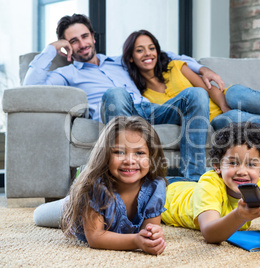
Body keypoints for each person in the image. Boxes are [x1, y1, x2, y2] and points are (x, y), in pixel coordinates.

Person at [24, 14, 224, 181]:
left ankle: (194, 179)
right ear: (67, 46)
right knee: (116, 93)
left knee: (196, 94)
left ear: (93, 37)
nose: (82, 44)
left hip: (147, 109)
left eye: (85, 36)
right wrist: (51, 48)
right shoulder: (67, 74)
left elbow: (165, 55)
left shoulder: (118, 61)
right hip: (115, 111)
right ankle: (127, 180)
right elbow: (30, 86)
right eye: (74, 41)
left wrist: (202, 68)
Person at [122, 30, 260, 136]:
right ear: (131, 57)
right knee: (232, 121)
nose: (147, 54)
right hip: (213, 120)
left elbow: (206, 86)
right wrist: (225, 114)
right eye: (140, 50)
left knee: (237, 96)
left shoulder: (176, 67)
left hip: (224, 100)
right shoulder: (143, 95)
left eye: (151, 48)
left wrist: (225, 106)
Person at [36, 116, 168, 255]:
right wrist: (136, 241)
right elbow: (95, 238)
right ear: (105, 155)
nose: (130, 160)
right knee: (38, 216)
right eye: (119, 152)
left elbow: (149, 231)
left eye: (139, 153)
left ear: (151, 157)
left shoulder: (156, 188)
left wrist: (152, 237)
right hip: (74, 206)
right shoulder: (94, 185)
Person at [161, 122, 260, 250]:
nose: (242, 172)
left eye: (251, 164)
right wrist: (239, 215)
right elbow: (210, 234)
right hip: (165, 191)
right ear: (217, 166)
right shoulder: (209, 183)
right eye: (233, 163)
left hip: (190, 185)